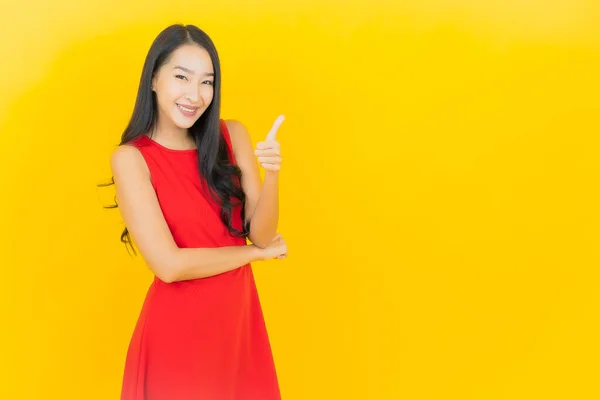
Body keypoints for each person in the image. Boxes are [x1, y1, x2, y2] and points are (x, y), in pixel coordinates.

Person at [108, 24, 287, 400]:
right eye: (181, 77)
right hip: (177, 339)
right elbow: (169, 265)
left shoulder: (232, 134)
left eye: (207, 82)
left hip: (239, 329)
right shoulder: (131, 159)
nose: (195, 94)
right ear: (154, 78)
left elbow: (264, 234)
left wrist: (272, 174)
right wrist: (255, 255)